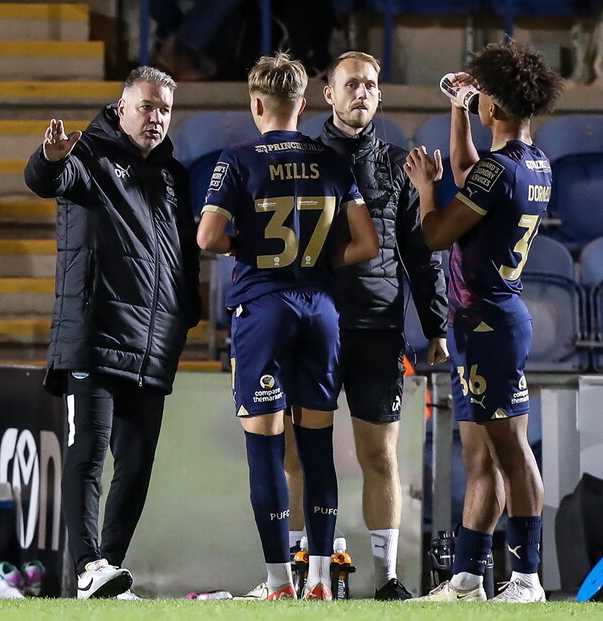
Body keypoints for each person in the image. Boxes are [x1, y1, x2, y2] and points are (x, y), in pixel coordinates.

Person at [197, 52, 379, 601]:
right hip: (321, 310)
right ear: (303, 105)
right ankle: (321, 579)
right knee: (318, 447)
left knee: (266, 448)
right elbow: (369, 244)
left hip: (264, 308)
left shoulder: (237, 158)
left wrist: (246, 248)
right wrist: (321, 262)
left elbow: (207, 238)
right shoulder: (333, 161)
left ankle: (279, 580)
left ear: (256, 104)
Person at [24, 66, 202, 600]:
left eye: (164, 110)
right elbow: (46, 180)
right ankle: (86, 566)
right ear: (121, 108)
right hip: (94, 334)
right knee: (88, 453)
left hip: (153, 343)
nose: (156, 118)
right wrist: (50, 157)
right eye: (146, 106)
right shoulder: (88, 156)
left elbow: (185, 257)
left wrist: (185, 312)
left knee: (138, 465)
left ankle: (107, 572)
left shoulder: (175, 175)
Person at [282, 50, 449, 601]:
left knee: (380, 457)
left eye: (371, 85)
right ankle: (303, 575)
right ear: (327, 94)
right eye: (351, 84)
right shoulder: (300, 160)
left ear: (379, 95)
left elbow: (421, 255)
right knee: (302, 456)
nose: (362, 93)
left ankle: (386, 579)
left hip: (378, 331)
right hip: (314, 327)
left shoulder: (400, 166)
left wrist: (437, 327)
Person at [403, 40, 563, 603]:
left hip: (490, 322)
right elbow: (474, 173)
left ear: (493, 109)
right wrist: (456, 112)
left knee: (511, 451)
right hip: (486, 321)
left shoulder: (500, 169)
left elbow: (435, 234)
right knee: (479, 455)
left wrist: (426, 190)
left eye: (481, 100)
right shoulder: (531, 160)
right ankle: (468, 580)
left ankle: (526, 579)